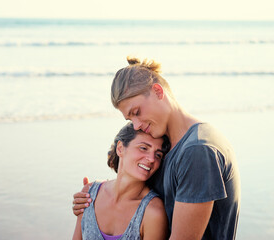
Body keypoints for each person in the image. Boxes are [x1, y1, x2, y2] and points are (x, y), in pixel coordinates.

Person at [73, 57, 241, 240]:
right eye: (130, 119)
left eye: (136, 112)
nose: (136, 125)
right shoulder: (168, 147)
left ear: (157, 91)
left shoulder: (198, 150)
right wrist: (92, 198)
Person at [72, 122, 171, 240]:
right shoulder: (90, 193)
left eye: (158, 155)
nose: (151, 159)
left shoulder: (153, 212)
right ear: (120, 148)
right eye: (143, 148)